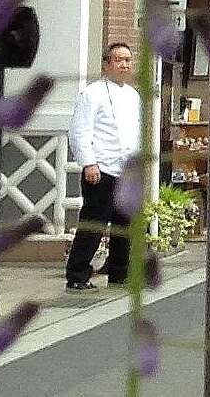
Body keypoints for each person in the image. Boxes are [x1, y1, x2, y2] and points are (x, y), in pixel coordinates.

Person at [65, 41, 140, 290]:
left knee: (124, 224)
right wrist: (89, 163)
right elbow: (79, 131)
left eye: (128, 60)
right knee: (94, 223)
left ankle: (120, 271)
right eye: (119, 60)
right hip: (101, 167)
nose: (125, 65)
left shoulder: (133, 95)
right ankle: (77, 274)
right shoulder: (92, 94)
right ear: (107, 64)